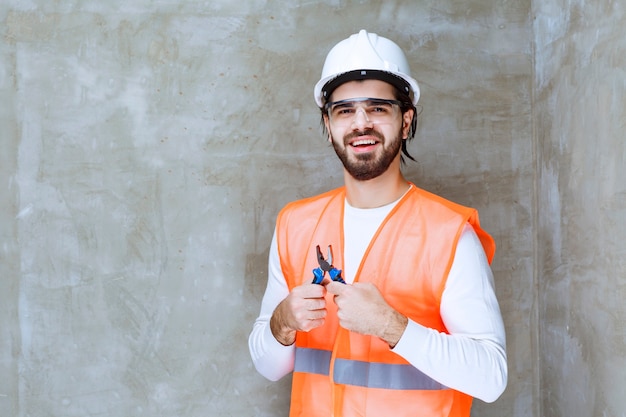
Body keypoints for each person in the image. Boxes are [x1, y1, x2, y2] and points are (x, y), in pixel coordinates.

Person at [248, 29, 507, 417]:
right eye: (345, 110)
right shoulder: (294, 226)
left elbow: (491, 377)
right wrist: (282, 323)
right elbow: (268, 367)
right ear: (328, 123)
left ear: (406, 120)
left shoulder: (448, 234)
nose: (361, 123)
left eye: (378, 108)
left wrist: (393, 327)